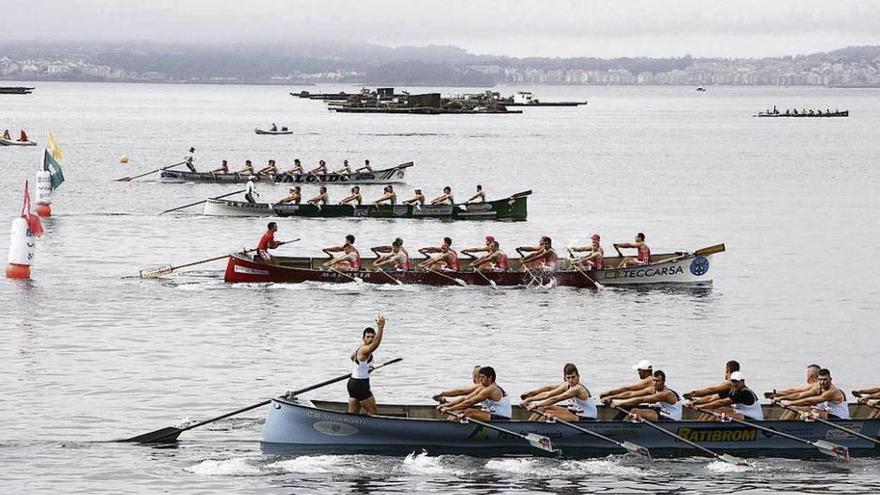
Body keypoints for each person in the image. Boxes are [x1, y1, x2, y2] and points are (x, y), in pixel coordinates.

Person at [521, 363, 597, 422]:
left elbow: (555, 399)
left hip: (586, 417)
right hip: (574, 412)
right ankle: (528, 425)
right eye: (568, 377)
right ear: (565, 378)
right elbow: (548, 391)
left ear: (578, 377)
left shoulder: (578, 389)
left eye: (573, 377)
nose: (571, 380)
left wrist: (535, 404)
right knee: (542, 408)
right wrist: (530, 397)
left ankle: (533, 431)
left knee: (549, 414)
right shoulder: (567, 384)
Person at [438, 366, 512, 421]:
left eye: (483, 377)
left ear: (490, 378)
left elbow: (470, 402)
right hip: (490, 414)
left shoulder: (492, 389)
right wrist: (446, 405)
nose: (480, 380)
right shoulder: (483, 387)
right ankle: (448, 424)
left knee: (468, 412)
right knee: (460, 410)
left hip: (502, 418)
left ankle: (450, 429)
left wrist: (449, 409)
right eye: (479, 377)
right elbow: (466, 399)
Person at [347, 315, 386, 415]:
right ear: (363, 338)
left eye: (372, 337)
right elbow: (376, 344)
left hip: (352, 383)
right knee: (373, 412)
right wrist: (381, 327)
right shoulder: (365, 350)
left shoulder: (360, 348)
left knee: (353, 414)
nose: (370, 339)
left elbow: (352, 358)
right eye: (368, 337)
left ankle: (351, 428)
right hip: (360, 384)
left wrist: (366, 368)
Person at [776, 368, 849, 420]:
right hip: (827, 413)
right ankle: (781, 424)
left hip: (839, 418)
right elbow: (800, 395)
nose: (822, 382)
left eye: (825, 379)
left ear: (830, 379)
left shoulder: (832, 391)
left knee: (800, 408)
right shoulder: (818, 387)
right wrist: (780, 398)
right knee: (795, 407)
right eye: (820, 379)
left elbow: (810, 401)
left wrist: (789, 403)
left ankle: (783, 428)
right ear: (818, 379)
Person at [689, 371, 764, 421]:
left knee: (717, 410)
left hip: (754, 419)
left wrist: (700, 407)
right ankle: (699, 424)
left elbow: (721, 402)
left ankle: (701, 429)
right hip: (741, 413)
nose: (734, 383)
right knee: (713, 409)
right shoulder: (731, 390)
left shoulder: (745, 393)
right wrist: (694, 402)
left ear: (743, 381)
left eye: (737, 381)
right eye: (733, 381)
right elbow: (711, 398)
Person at [611, 370, 683, 421]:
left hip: (672, 419)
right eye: (653, 380)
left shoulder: (666, 394)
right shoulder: (653, 389)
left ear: (663, 381)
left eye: (658, 381)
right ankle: (614, 424)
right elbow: (631, 394)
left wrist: (619, 403)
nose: (655, 383)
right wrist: (611, 397)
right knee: (629, 407)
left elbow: (642, 399)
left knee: (636, 411)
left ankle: (630, 429)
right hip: (662, 412)